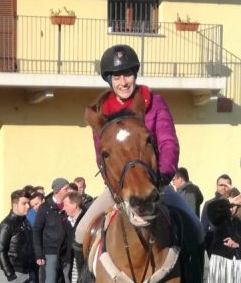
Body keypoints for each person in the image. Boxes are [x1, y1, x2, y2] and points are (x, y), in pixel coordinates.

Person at [75, 44, 181, 248]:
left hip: (156, 182)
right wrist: (116, 189)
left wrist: (163, 177)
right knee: (81, 232)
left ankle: (190, 280)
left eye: (127, 75)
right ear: (109, 81)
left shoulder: (155, 103)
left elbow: (168, 141)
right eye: (116, 77)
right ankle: (86, 281)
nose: (123, 82)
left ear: (135, 75)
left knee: (193, 226)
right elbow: (101, 156)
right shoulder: (101, 112)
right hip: (120, 187)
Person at [33, 178, 74, 283]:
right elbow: (37, 231)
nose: (69, 191)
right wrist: (39, 254)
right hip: (50, 252)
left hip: (67, 251)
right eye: (66, 189)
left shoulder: (70, 205)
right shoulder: (45, 207)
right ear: (57, 191)